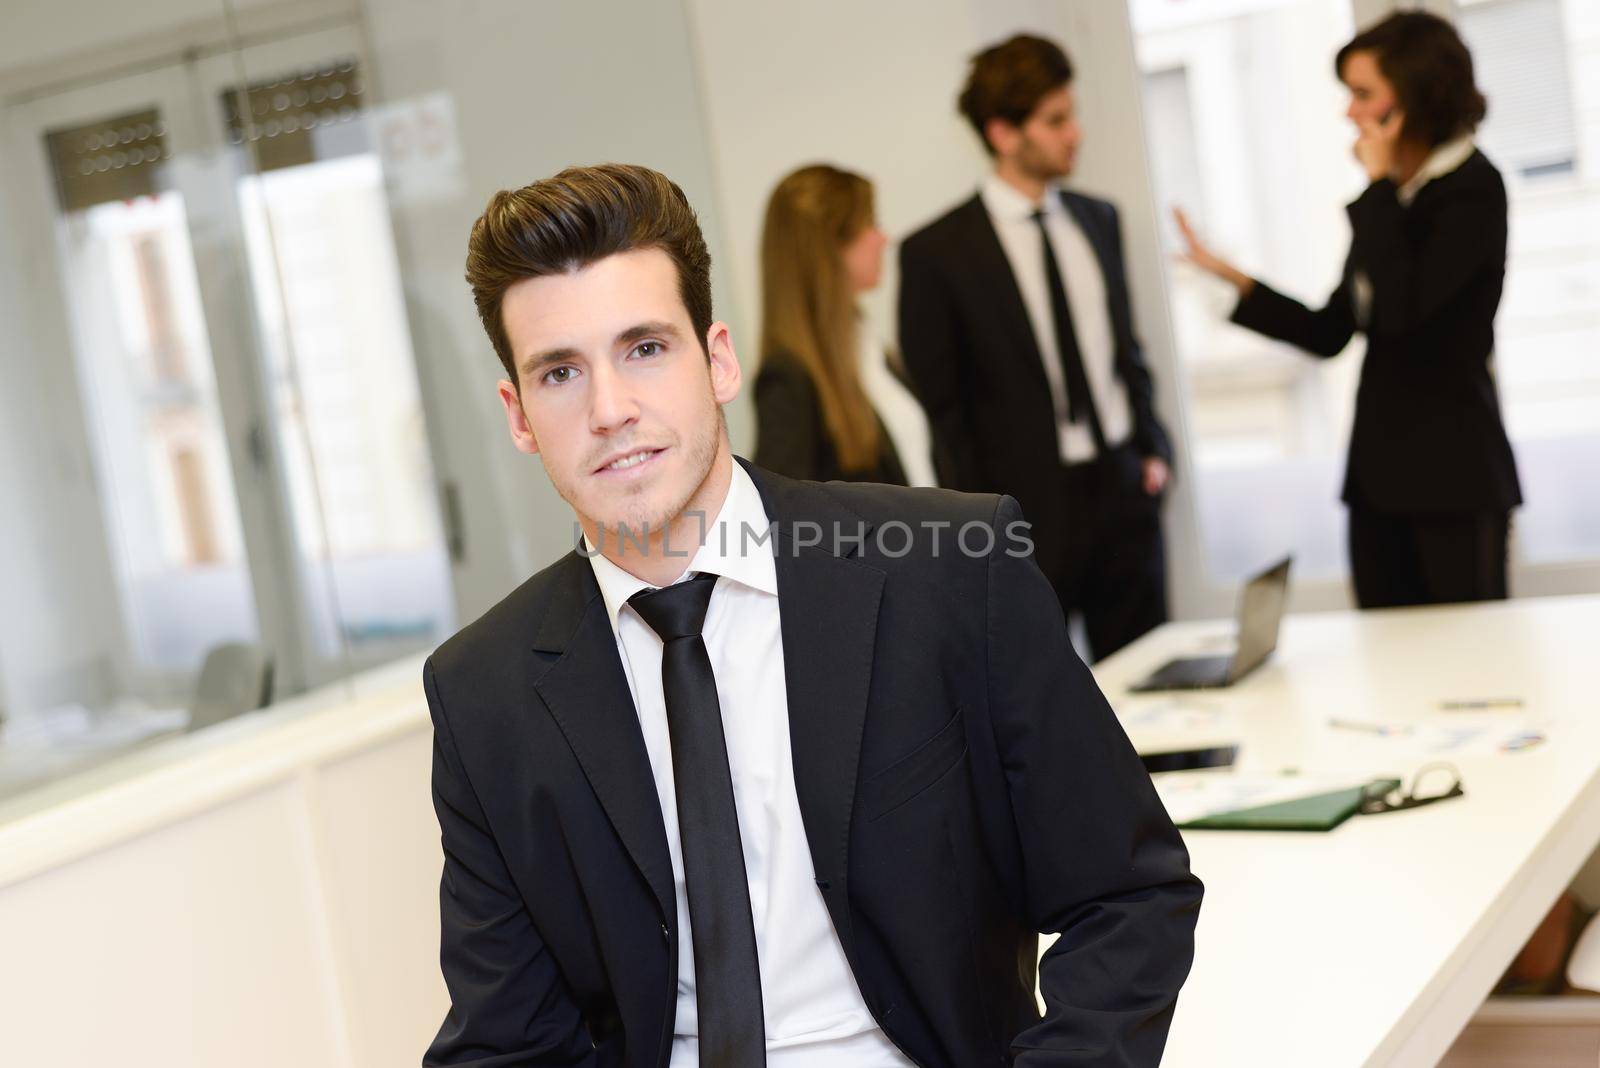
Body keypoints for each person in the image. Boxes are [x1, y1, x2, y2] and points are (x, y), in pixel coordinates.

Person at [425, 162, 1201, 1067]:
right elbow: (504, 1041)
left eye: (644, 348)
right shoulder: (486, 691)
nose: (610, 410)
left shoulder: (948, 570)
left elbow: (1129, 895)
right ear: (518, 415)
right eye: (560, 372)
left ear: (717, 359)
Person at [1174, 10, 1521, 609]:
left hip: (1454, 482)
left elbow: (1411, 317)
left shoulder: (1471, 190)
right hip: (1379, 482)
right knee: (1385, 668)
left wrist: (1379, 190)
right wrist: (1234, 281)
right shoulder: (1390, 199)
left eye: (1363, 95)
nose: (1349, 112)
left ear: (1412, 98)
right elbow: (1331, 329)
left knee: (1467, 678)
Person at [899, 34, 1176, 662]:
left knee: (1155, 685)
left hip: (1123, 491)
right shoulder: (936, 253)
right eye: (1056, 121)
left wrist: (1152, 449)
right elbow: (944, 410)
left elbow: (1125, 350)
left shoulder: (1097, 219)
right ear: (1003, 133)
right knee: (1040, 702)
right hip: (1021, 512)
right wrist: (977, 523)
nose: (1074, 133)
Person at [754, 164, 936, 488]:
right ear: (828, 248)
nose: (882, 238)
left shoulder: (868, 345)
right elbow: (786, 517)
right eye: (869, 224)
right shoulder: (788, 379)